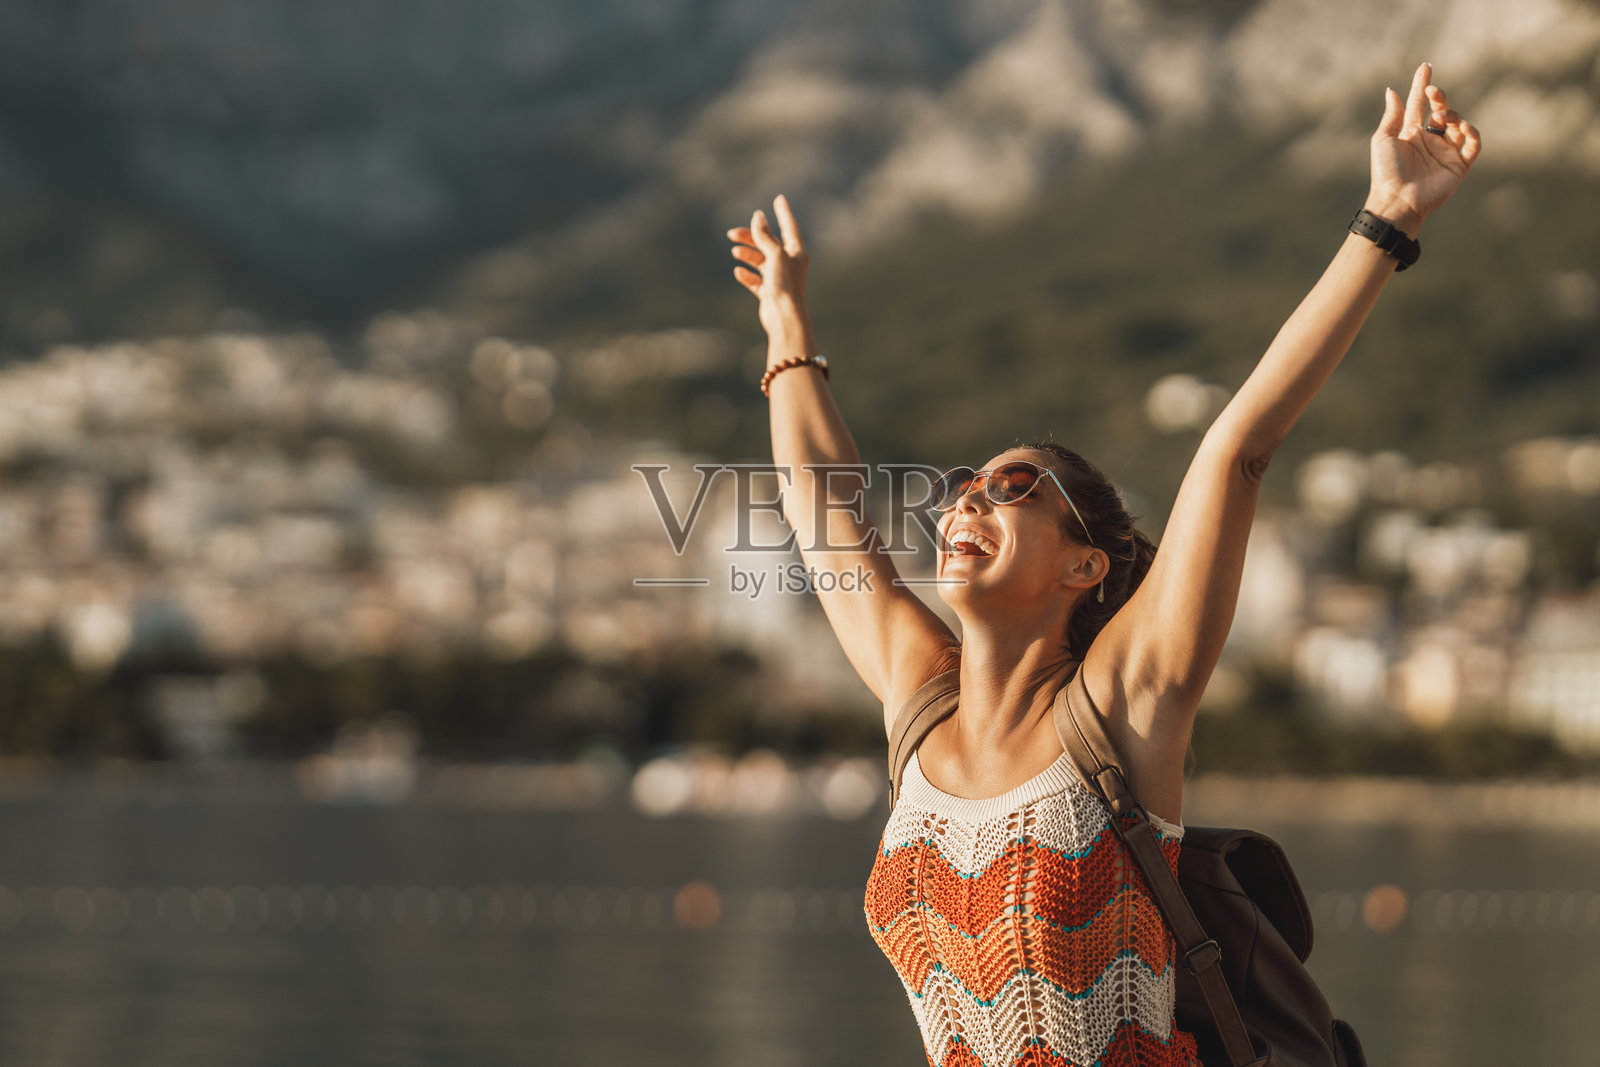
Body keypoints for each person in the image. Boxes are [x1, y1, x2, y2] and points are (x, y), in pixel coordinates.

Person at [727, 62, 1480, 1067]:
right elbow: (820, 504)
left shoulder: (1122, 704)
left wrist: (1387, 217)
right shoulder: (918, 702)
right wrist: (788, 333)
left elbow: (1235, 451)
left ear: (1086, 567)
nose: (968, 498)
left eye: (1016, 486)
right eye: (964, 482)